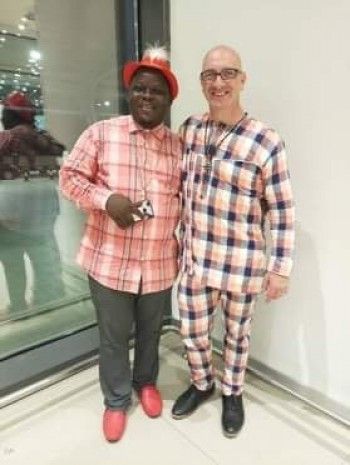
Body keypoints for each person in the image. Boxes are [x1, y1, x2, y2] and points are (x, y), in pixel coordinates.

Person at [171, 45, 295, 438]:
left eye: (228, 73)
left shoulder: (266, 140)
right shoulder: (189, 129)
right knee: (191, 330)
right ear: (201, 82)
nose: (218, 82)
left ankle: (232, 392)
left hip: (242, 263)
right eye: (210, 74)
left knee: (238, 336)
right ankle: (203, 382)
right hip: (195, 259)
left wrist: (280, 269)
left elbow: (282, 209)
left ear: (243, 79)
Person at [59, 46, 181, 442]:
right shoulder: (101, 133)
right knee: (113, 337)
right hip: (110, 261)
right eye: (140, 89)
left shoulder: (180, 148)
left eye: (156, 91)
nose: (147, 96)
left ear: (169, 99)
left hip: (159, 262)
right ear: (130, 94)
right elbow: (70, 178)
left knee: (151, 332)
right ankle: (115, 400)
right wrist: (105, 199)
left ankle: (145, 382)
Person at [0, 91, 65, 315]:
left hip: (9, 219)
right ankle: (46, 304)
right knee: (44, 263)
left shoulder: (5, 139)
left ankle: (18, 307)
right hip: (42, 216)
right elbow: (59, 155)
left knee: (13, 266)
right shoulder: (44, 138)